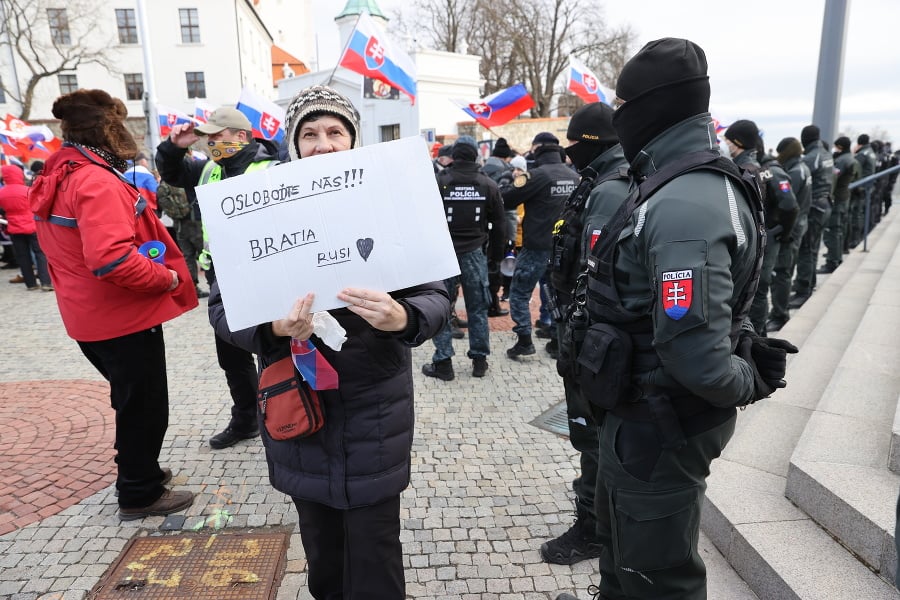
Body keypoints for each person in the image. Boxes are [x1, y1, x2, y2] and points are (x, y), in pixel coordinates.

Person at [555, 38, 795, 600]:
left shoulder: (685, 200)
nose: (617, 115)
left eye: (622, 102)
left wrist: (746, 381)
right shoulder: (668, 184)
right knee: (621, 558)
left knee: (655, 576)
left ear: (651, 107)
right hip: (638, 411)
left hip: (661, 420)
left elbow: (696, 355)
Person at [208, 84, 450, 600]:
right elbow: (222, 307)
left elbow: (436, 294)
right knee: (321, 550)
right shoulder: (255, 210)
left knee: (375, 549)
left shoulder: (390, 203)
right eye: (310, 133)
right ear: (294, 144)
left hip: (374, 410)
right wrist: (272, 328)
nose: (323, 143)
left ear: (353, 140)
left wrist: (402, 315)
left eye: (335, 131)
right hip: (296, 405)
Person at [29, 89, 197, 520]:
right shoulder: (94, 180)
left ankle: (141, 472)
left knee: (131, 399)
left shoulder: (61, 172)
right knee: (144, 406)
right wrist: (169, 278)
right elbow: (112, 259)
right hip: (121, 318)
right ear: (109, 130)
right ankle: (139, 493)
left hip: (91, 317)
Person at [156, 105, 281, 449]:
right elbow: (171, 173)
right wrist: (174, 146)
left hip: (267, 275)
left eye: (217, 136)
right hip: (223, 280)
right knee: (232, 355)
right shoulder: (210, 168)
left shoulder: (274, 166)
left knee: (276, 349)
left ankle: (288, 416)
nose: (210, 142)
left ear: (241, 137)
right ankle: (246, 420)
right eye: (207, 137)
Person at [542, 101, 628, 565]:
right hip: (593, 338)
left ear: (589, 144)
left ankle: (594, 529)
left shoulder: (610, 190)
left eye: (574, 144)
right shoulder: (605, 182)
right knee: (594, 437)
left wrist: (577, 341)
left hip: (593, 342)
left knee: (592, 438)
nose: (568, 153)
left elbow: (594, 279)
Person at [422, 140, 507, 380]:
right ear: (475, 157)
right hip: (474, 252)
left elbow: (424, 217)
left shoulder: (439, 182)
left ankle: (443, 361)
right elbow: (500, 224)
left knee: (441, 307)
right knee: (477, 307)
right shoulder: (487, 184)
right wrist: (495, 259)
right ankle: (479, 360)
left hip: (443, 254)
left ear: (454, 157)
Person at [501, 132, 577, 358]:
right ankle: (557, 339)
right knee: (558, 292)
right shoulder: (574, 177)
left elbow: (507, 198)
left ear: (537, 152)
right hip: (565, 247)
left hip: (536, 247)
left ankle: (524, 340)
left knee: (519, 293)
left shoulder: (536, 176)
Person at [723, 120, 798, 335]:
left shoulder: (747, 169)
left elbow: (790, 206)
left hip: (756, 239)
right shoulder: (756, 167)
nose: (725, 145)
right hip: (761, 237)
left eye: (728, 141)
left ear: (738, 143)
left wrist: (782, 233)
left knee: (755, 290)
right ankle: (757, 334)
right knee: (756, 289)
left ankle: (756, 337)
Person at [768, 137, 812, 332]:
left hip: (791, 230)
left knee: (782, 273)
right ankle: (780, 310)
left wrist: (783, 232)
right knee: (786, 271)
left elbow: (788, 205)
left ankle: (780, 314)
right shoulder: (804, 168)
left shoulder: (793, 172)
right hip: (801, 224)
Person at [790, 125, 834, 308]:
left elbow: (801, 183)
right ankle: (808, 282)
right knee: (813, 248)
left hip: (814, 207)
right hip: (825, 204)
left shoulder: (810, 158)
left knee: (807, 250)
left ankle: (803, 290)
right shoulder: (826, 154)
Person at [0, 164, 52, 291]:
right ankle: (45, 282)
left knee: (22, 256)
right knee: (40, 253)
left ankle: (31, 284)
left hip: (14, 227)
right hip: (32, 225)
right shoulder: (27, 189)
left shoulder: (2, 193)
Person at [820, 136, 860, 274]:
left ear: (840, 147)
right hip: (845, 197)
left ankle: (832, 261)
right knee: (839, 229)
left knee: (833, 231)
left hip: (837, 199)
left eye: (836, 146)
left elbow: (833, 178)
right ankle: (837, 256)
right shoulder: (851, 158)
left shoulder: (842, 160)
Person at [851, 134, 876, 246]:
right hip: (868, 186)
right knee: (862, 212)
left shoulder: (862, 154)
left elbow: (854, 168)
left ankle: (855, 239)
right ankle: (859, 236)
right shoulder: (871, 152)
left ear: (859, 143)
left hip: (861, 187)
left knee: (857, 213)